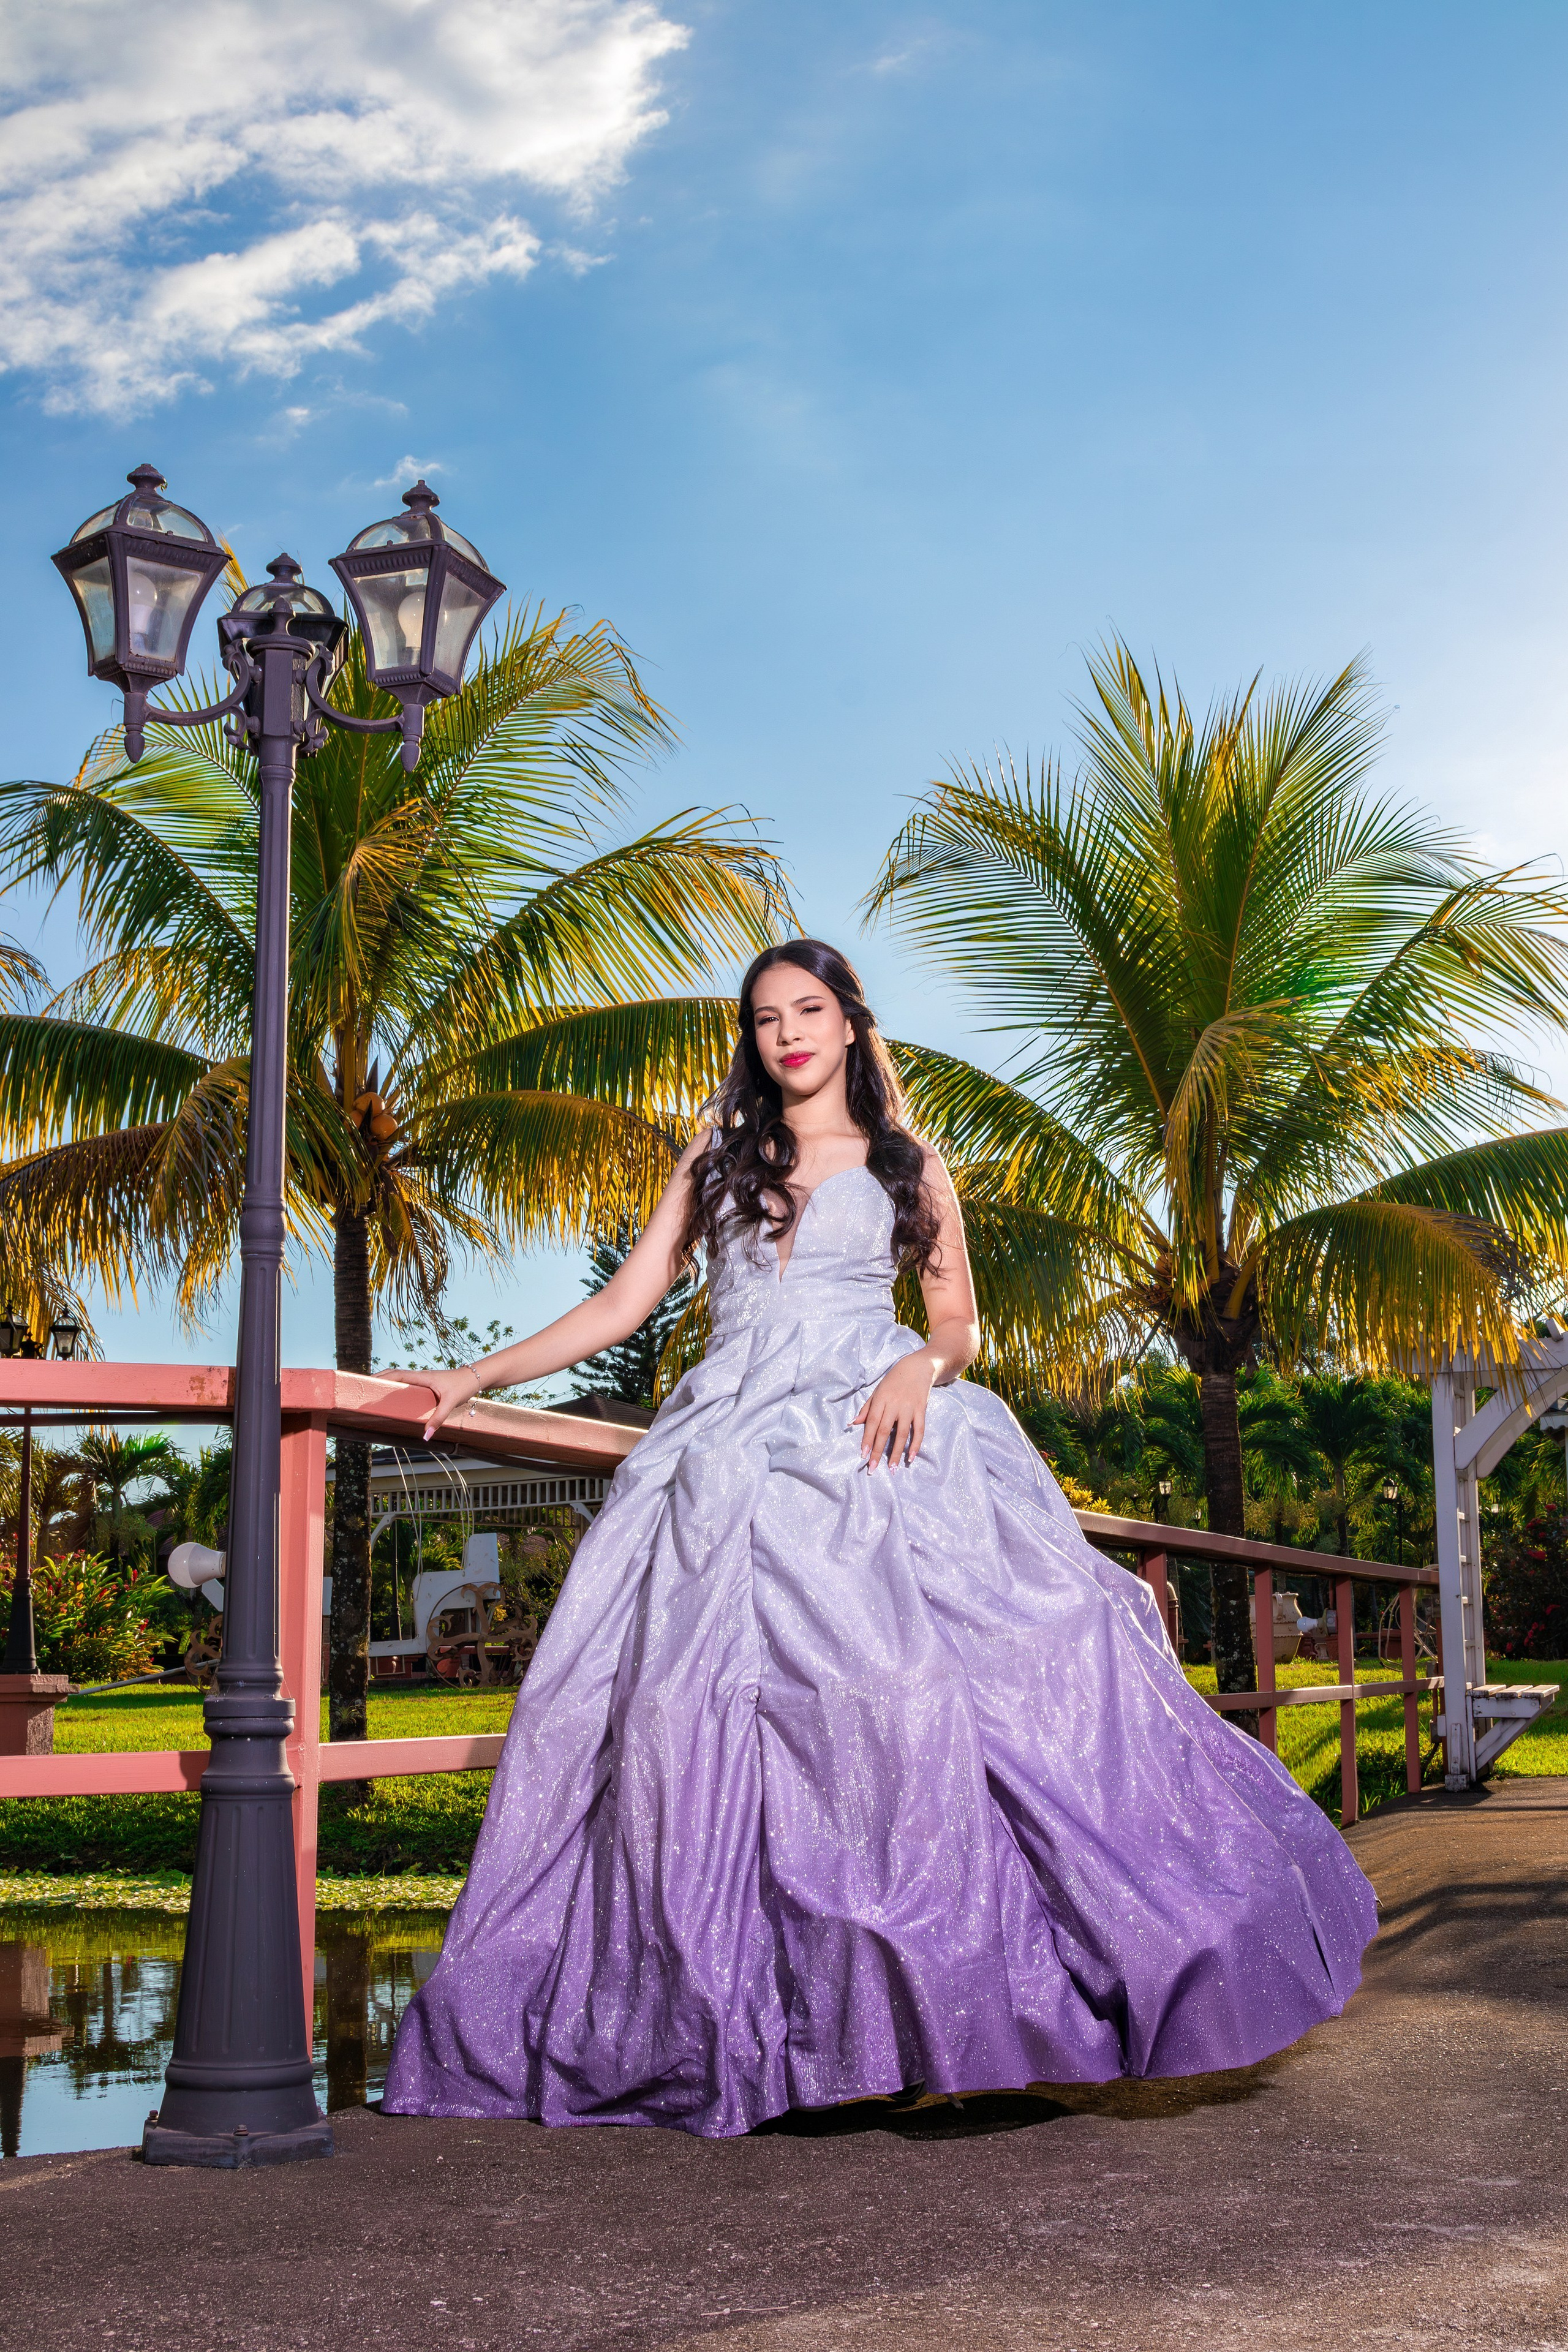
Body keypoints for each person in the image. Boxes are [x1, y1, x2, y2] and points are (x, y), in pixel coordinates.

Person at [382, 940, 1376, 2137]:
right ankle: (762, 2036)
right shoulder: (714, 1155)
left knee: (904, 1712)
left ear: (849, 1024)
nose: (786, 1032)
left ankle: (945, 2022)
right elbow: (622, 1303)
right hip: (725, 1455)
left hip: (871, 1425)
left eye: (808, 1010)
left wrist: (917, 1360)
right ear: (748, 1039)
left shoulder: (908, 1159)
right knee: (691, 1730)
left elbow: (958, 1320)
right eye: (763, 1018)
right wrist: (475, 1374)